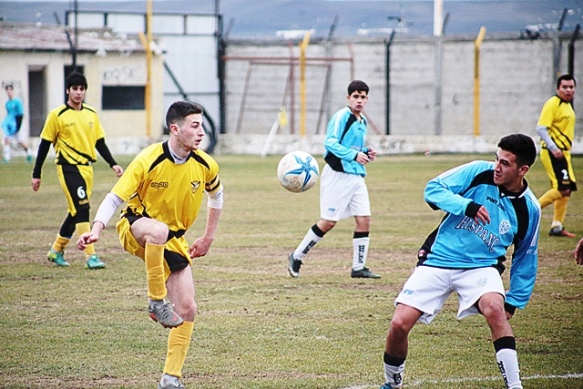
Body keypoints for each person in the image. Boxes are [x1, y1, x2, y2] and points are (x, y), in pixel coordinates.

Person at [77, 101, 223, 389]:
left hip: (174, 240)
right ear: (175, 128)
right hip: (135, 226)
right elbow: (115, 197)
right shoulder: (149, 159)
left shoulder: (206, 164)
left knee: (188, 309)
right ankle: (156, 301)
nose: (201, 133)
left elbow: (217, 197)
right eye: (194, 126)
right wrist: (96, 229)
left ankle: (171, 378)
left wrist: (208, 237)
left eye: (201, 126)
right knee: (157, 230)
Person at [380, 134, 541, 389]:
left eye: (506, 163)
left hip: (481, 267)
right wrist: (465, 205)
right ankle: (392, 383)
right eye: (496, 159)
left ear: (523, 170)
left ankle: (515, 386)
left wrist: (516, 298)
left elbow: (526, 254)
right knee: (399, 323)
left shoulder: (529, 208)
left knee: (495, 309)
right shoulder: (479, 172)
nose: (497, 167)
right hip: (438, 260)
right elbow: (433, 190)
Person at [287, 80, 380, 279]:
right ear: (348, 98)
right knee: (328, 222)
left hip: (356, 176)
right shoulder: (341, 117)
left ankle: (358, 267)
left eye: (363, 97)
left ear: (367, 99)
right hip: (337, 175)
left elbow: (352, 147)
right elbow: (330, 142)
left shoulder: (362, 120)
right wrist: (354, 156)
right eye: (356, 96)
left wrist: (365, 152)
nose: (359, 101)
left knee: (364, 220)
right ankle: (297, 255)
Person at [31, 72, 124, 269]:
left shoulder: (91, 113)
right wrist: (36, 174)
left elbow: (99, 142)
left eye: (82, 89)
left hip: (87, 169)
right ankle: (91, 256)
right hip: (67, 167)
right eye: (75, 89)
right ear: (68, 90)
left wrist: (112, 163)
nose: (79, 93)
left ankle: (56, 250)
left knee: (76, 211)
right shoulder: (57, 115)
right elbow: (44, 144)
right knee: (83, 208)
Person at [536, 74, 578, 238]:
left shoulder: (567, 105)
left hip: (563, 153)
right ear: (557, 89)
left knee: (566, 190)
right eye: (564, 87)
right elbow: (541, 128)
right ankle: (529, 210)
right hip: (553, 152)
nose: (568, 90)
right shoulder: (553, 103)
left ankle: (557, 226)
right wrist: (553, 147)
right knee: (562, 188)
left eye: (571, 87)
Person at [2, 84, 32, 163]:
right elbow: (9, 114)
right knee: (7, 139)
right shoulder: (7, 103)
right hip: (11, 125)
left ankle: (29, 153)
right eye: (7, 90)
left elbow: (20, 114)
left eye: (10, 90)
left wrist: (18, 126)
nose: (9, 92)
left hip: (18, 123)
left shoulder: (17, 101)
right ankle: (6, 158)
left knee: (21, 141)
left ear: (12, 91)